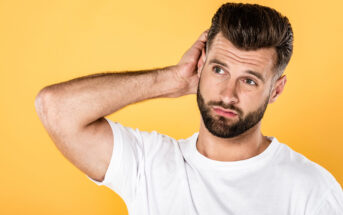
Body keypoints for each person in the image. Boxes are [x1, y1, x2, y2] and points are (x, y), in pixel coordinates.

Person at [34, 2, 343, 215]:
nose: (227, 95)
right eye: (219, 70)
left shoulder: (311, 189)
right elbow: (56, 108)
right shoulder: (150, 164)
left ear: (275, 90)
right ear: (201, 64)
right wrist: (172, 80)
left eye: (248, 81)